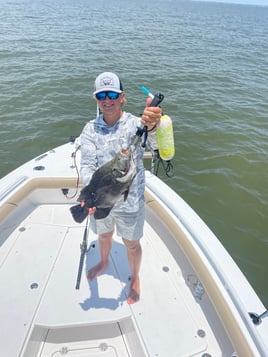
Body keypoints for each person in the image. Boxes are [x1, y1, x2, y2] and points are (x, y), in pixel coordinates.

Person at [80, 72, 162, 304]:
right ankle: (104, 261)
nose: (107, 100)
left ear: (122, 97)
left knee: (131, 243)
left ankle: (135, 276)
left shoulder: (138, 124)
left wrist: (154, 126)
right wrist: (90, 196)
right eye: (102, 95)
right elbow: (87, 166)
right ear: (96, 99)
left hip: (130, 200)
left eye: (112, 94)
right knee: (104, 234)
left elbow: (158, 149)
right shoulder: (89, 129)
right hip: (102, 200)